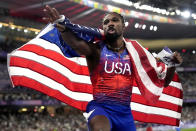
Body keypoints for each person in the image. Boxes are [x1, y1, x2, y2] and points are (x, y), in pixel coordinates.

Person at [43, 5, 183, 131]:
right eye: (106, 22)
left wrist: (171, 65)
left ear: (123, 26)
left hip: (125, 114)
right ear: (103, 28)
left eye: (114, 20)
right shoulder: (96, 50)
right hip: (100, 108)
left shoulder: (136, 54)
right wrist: (63, 28)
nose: (110, 23)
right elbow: (76, 44)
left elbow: (162, 82)